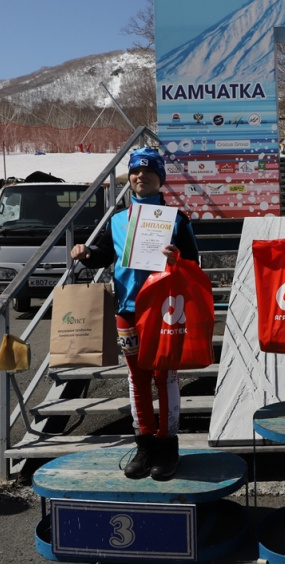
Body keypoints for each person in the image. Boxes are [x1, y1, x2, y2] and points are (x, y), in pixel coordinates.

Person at [71, 146, 199, 479]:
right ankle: (144, 445)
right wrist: (86, 252)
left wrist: (177, 259)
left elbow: (194, 263)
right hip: (127, 310)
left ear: (160, 178)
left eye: (149, 171)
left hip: (164, 311)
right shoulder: (117, 220)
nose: (141, 176)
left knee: (164, 378)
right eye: (135, 171)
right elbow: (103, 255)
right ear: (129, 178)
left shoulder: (177, 219)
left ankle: (167, 446)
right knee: (137, 378)